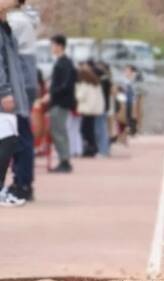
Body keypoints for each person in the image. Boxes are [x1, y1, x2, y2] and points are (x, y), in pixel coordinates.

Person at [6, 0, 38, 201]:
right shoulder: (23, 19)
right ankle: (22, 181)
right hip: (23, 82)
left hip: (19, 84)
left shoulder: (16, 21)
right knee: (20, 133)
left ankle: (22, 182)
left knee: (20, 134)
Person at [0, 0, 29, 207]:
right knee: (7, 140)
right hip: (3, 93)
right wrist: (4, 91)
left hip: (8, 91)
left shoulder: (5, 26)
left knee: (8, 140)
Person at [43, 34, 77, 173]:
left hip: (60, 102)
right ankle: (64, 160)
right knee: (58, 131)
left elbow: (66, 85)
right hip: (59, 102)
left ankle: (65, 161)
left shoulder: (65, 63)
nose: (51, 48)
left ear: (59, 46)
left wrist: (52, 94)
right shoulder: (63, 62)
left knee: (59, 131)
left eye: (53, 45)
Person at [75, 62, 103, 157]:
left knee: (84, 130)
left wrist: (76, 89)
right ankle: (93, 147)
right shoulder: (95, 83)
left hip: (86, 110)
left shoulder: (84, 84)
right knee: (90, 129)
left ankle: (92, 148)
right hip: (94, 110)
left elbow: (80, 96)